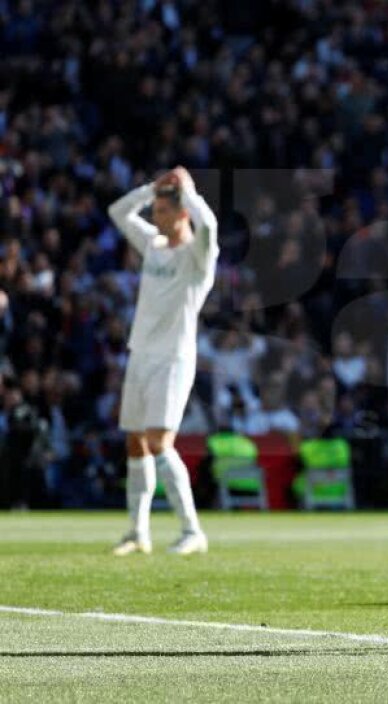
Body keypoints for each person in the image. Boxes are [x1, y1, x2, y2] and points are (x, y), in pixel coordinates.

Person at [107, 166, 218, 556]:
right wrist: (149, 189)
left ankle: (192, 530)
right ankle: (138, 532)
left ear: (182, 212)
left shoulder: (197, 257)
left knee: (159, 441)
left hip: (173, 357)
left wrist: (187, 190)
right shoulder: (153, 245)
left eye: (164, 210)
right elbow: (118, 213)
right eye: (155, 211)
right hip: (141, 354)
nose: (156, 217)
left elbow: (210, 225)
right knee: (136, 444)